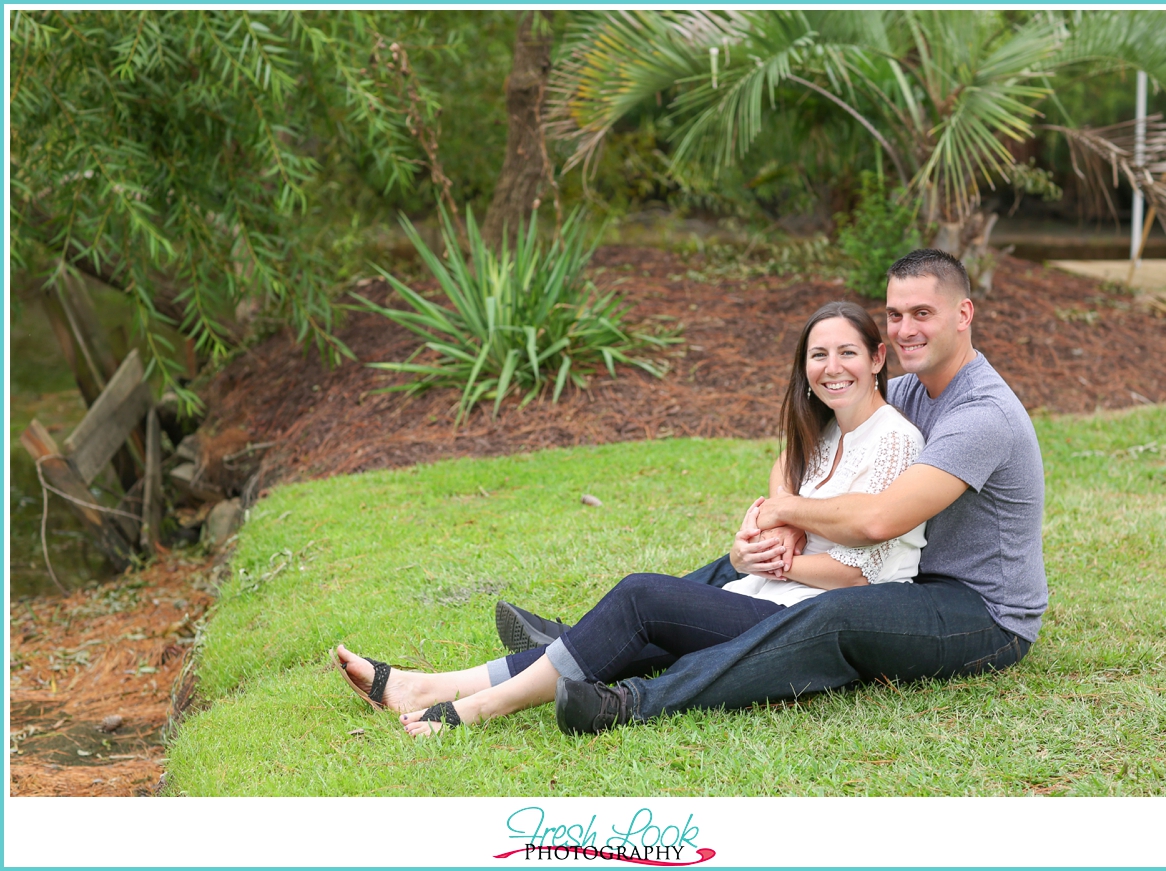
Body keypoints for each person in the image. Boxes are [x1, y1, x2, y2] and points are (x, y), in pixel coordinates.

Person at [499, 248, 1048, 734]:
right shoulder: (905, 387)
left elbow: (880, 521)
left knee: (830, 613)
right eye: (896, 315)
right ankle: (582, 642)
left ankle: (627, 703)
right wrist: (783, 526)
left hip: (979, 610)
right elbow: (799, 448)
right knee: (737, 567)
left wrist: (785, 510)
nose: (905, 329)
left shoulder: (982, 415)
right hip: (913, 578)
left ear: (963, 314)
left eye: (922, 314)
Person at [333, 301, 928, 735]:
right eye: (817, 355)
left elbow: (860, 576)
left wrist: (785, 558)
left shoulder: (894, 441)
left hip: (803, 622)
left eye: (847, 352)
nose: (832, 367)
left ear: (878, 357)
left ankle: (475, 708)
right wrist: (756, 546)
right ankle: (431, 685)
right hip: (769, 595)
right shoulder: (827, 435)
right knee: (619, 636)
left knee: (642, 598)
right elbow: (785, 480)